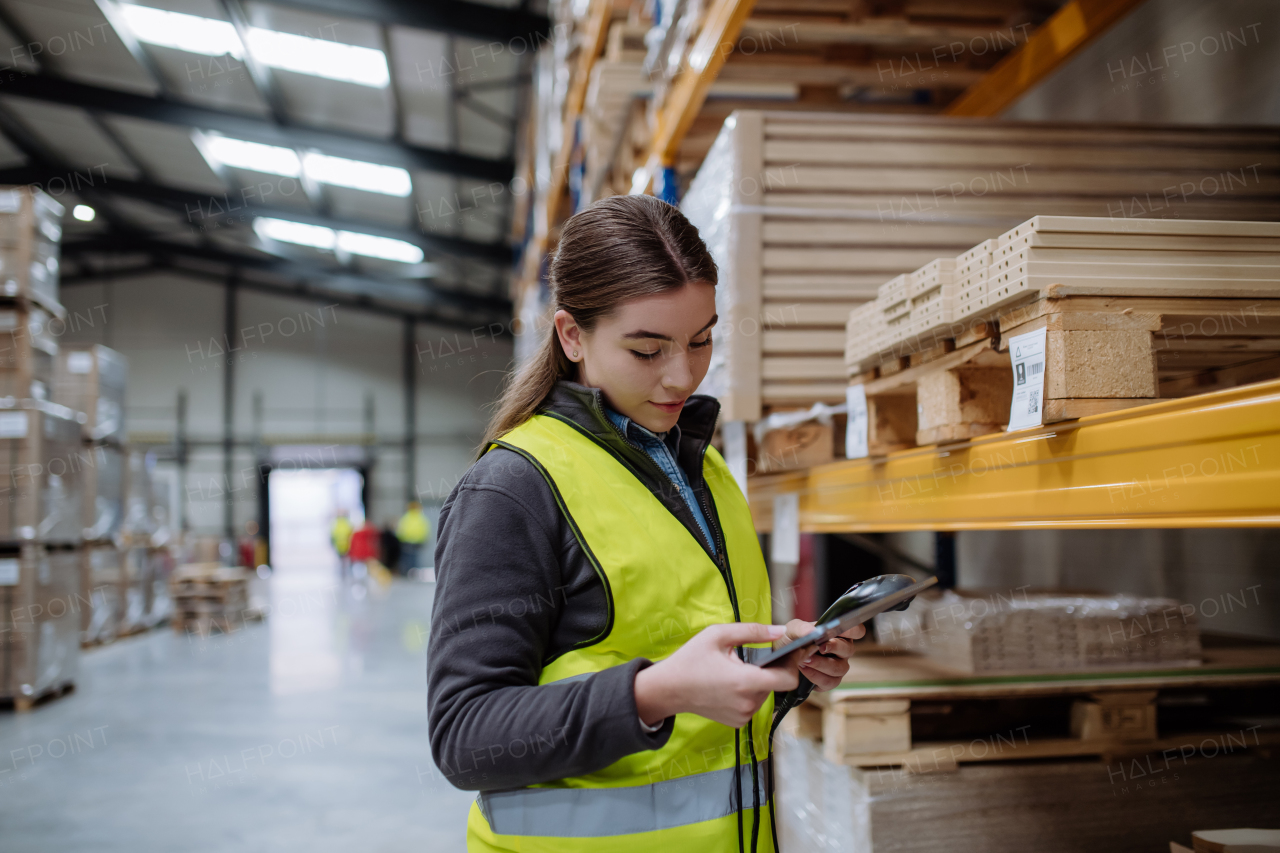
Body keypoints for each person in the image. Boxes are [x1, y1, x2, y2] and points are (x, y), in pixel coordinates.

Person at [427, 195, 864, 853]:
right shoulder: (513, 489)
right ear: (572, 335)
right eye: (647, 349)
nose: (681, 373)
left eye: (702, 339)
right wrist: (653, 693)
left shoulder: (706, 470)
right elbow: (466, 734)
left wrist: (783, 672)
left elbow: (704, 709)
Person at [395, 501, 429, 574]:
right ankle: (414, 572)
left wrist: (400, 539)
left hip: (406, 541)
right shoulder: (421, 517)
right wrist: (424, 540)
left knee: (406, 558)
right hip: (417, 542)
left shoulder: (405, 517)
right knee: (415, 557)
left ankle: (406, 572)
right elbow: (425, 530)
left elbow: (400, 530)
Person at [330, 512, 353, 577]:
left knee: (341, 561)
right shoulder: (348, 523)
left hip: (338, 546)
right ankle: (348, 572)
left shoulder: (335, 524)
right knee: (347, 560)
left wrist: (333, 544)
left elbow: (332, 536)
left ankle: (342, 572)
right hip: (347, 546)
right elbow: (351, 534)